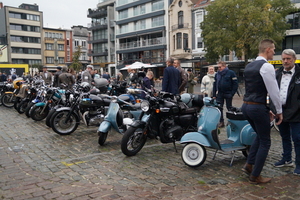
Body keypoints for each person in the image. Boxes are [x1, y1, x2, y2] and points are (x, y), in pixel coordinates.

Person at [241, 39, 283, 184]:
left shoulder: (249, 66)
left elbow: (252, 89)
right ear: (268, 50)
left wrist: (266, 110)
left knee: (260, 135)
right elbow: (274, 92)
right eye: (274, 49)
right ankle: (255, 175)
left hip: (246, 106)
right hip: (256, 107)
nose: (274, 52)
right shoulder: (266, 67)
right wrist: (278, 111)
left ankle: (249, 165)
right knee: (265, 141)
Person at [270, 49, 300, 176]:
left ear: (294, 59)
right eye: (284, 59)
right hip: (280, 111)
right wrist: (272, 108)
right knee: (285, 137)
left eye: (288, 59)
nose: (286, 61)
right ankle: (287, 158)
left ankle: (299, 164)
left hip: (297, 112)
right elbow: (272, 92)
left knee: (298, 138)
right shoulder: (277, 74)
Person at [212, 61, 238, 128]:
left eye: (220, 67)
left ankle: (231, 121)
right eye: (218, 67)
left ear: (224, 66)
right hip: (220, 93)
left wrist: (232, 93)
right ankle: (221, 122)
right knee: (219, 108)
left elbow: (235, 84)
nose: (219, 68)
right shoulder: (217, 74)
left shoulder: (231, 73)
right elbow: (215, 84)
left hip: (228, 93)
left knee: (229, 108)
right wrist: (214, 94)